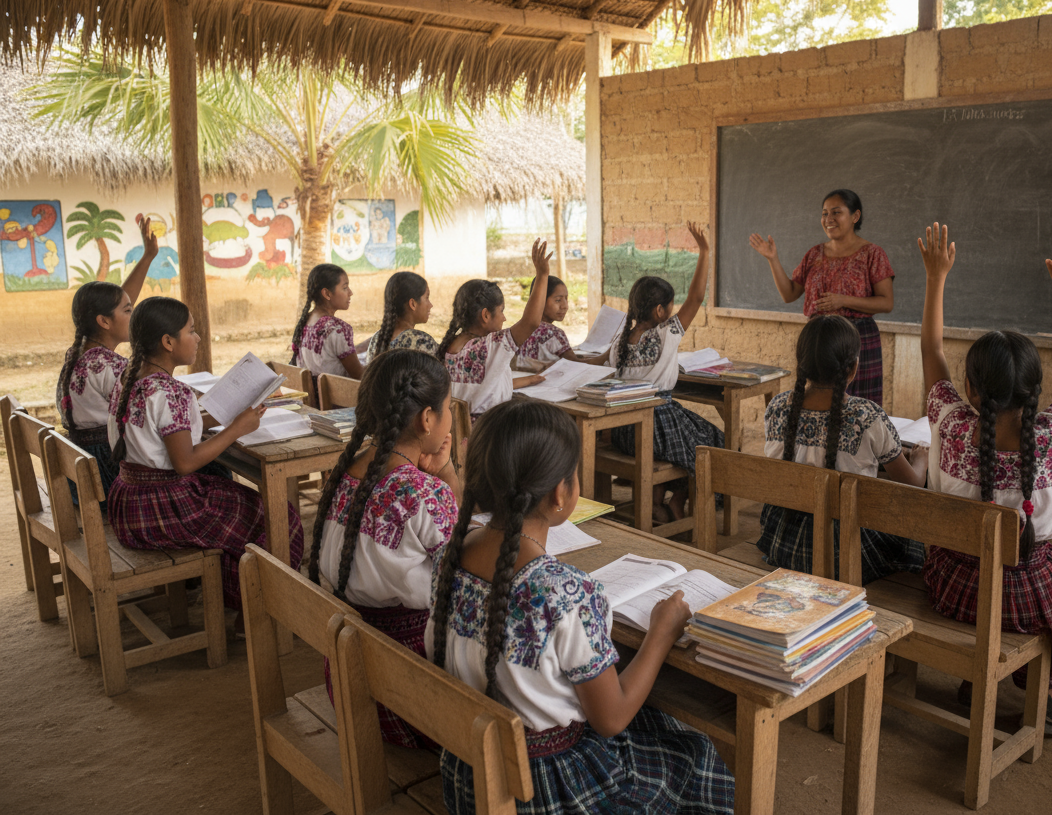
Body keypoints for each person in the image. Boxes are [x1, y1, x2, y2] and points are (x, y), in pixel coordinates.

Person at [427, 399, 734, 815]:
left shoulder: (451, 556)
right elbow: (611, 720)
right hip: (550, 790)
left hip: (469, 776)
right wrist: (662, 632)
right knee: (692, 752)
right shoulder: (566, 592)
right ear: (560, 493)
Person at [918, 224, 1052, 738]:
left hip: (955, 586)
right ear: (1037, 390)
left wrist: (936, 279)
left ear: (970, 389)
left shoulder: (951, 428)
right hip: (1027, 596)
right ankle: (1050, 698)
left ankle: (983, 676)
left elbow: (931, 350)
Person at [107, 296, 304, 614]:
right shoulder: (172, 392)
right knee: (276, 518)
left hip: (129, 503)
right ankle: (256, 611)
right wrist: (237, 429)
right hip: (164, 507)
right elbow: (185, 463)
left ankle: (237, 598)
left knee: (238, 513)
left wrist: (227, 417)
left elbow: (167, 431)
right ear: (168, 341)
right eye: (192, 330)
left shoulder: (129, 379)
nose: (198, 338)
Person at [307, 348, 459, 747]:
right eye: (447, 409)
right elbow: (465, 570)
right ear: (428, 419)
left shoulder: (348, 470)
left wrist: (440, 473)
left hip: (349, 676)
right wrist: (445, 476)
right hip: (413, 688)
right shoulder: (423, 493)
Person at [761, 314, 929, 584]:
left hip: (785, 538)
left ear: (801, 364)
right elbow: (912, 482)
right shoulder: (866, 415)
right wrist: (920, 459)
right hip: (847, 548)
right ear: (853, 369)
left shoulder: (778, 407)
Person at [609, 222, 723, 522]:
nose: (673, 312)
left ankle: (658, 503)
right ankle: (677, 501)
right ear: (660, 311)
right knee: (712, 443)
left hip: (624, 430)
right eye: (670, 307)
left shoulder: (619, 341)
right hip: (659, 423)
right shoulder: (665, 334)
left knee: (689, 439)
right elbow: (697, 298)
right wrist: (704, 250)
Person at [749, 189, 894, 404]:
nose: (829, 219)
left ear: (855, 216)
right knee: (819, 403)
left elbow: (887, 302)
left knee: (859, 407)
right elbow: (789, 294)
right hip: (819, 341)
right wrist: (773, 259)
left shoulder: (872, 254)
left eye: (836, 212)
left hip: (857, 340)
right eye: (825, 213)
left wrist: (843, 300)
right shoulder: (814, 254)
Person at [56, 214, 159, 503]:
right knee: (208, 466)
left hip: (84, 471)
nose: (134, 314)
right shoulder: (110, 366)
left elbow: (122, 299)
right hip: (107, 477)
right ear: (104, 321)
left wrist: (148, 257)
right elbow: (151, 416)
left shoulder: (80, 353)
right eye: (128, 311)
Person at [438, 239, 550, 417]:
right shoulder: (489, 346)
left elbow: (483, 387)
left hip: (463, 435)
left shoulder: (452, 345)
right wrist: (542, 275)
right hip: (488, 433)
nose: (504, 317)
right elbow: (531, 322)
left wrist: (528, 380)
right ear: (485, 315)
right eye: (501, 311)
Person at [291, 263, 366, 391]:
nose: (350, 293)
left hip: (314, 401)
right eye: (345, 287)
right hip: (337, 403)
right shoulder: (338, 329)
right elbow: (359, 376)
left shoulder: (305, 322)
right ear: (327, 293)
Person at [516, 276, 607, 366]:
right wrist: (607, 355)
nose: (565, 306)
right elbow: (576, 365)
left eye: (566, 299)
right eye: (558, 300)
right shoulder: (553, 333)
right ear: (540, 300)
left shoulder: (519, 330)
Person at [368, 271, 438, 360]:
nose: (430, 305)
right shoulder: (421, 341)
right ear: (413, 304)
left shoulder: (377, 339)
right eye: (427, 298)